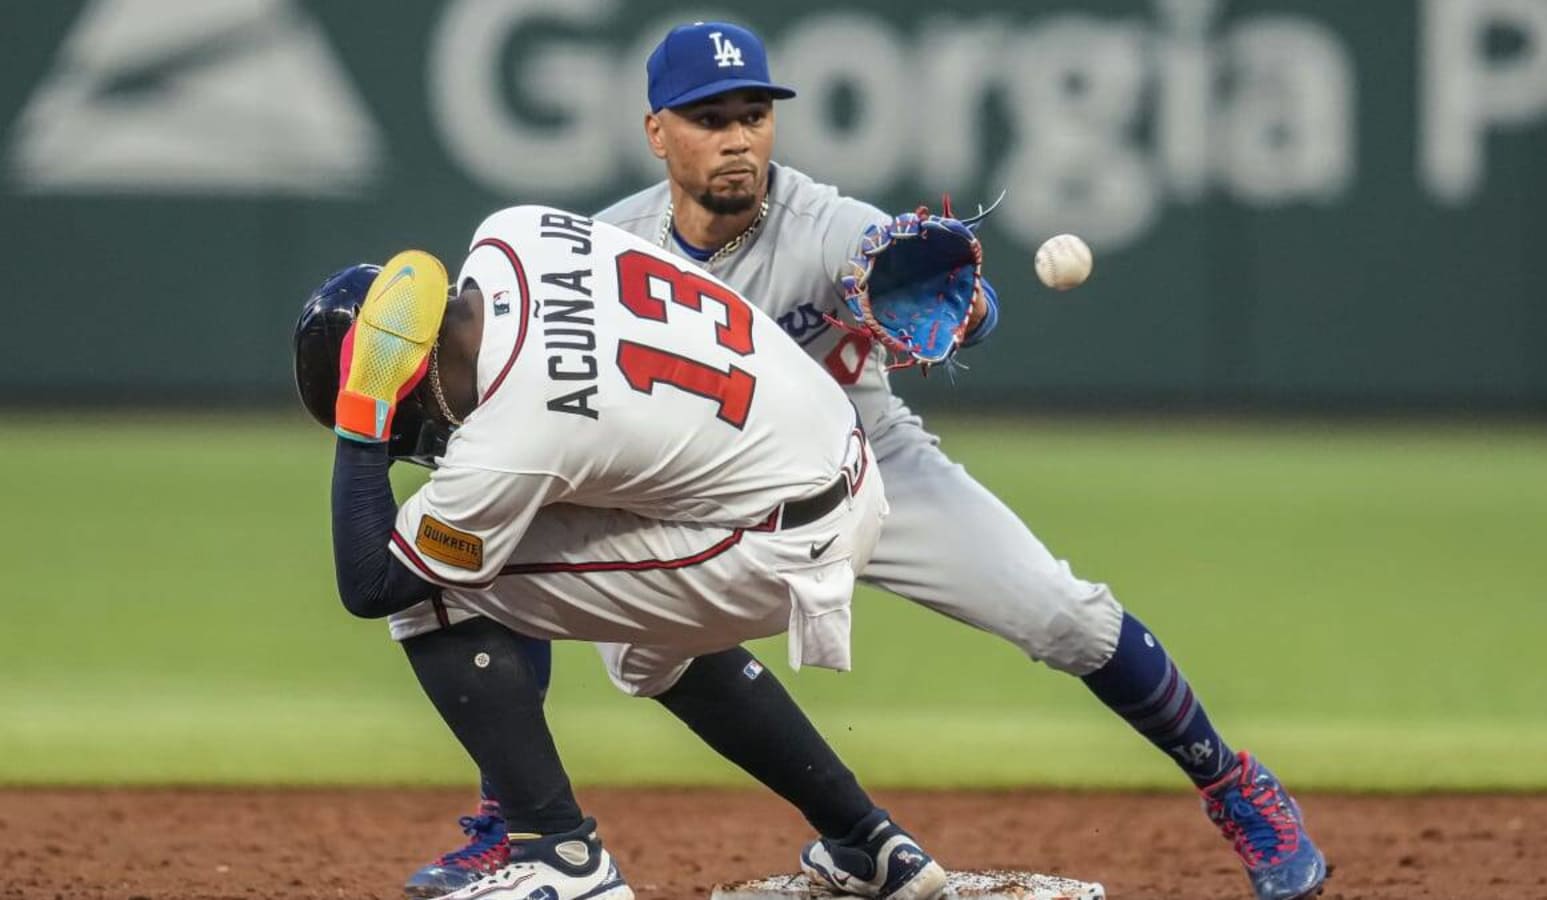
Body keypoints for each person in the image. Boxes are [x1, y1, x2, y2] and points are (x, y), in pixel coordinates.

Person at [408, 21, 1329, 900]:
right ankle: (518, 819)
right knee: (511, 545)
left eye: (754, 116)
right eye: (709, 118)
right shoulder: (607, 243)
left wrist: (965, 308)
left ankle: (1235, 786)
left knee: (1063, 616)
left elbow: (926, 277)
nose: (737, 139)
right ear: (657, 131)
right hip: (702, 493)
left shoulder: (820, 222)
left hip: (870, 466)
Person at [301, 206, 951, 900]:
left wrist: (363, 416)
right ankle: (871, 847)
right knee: (644, 644)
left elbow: (370, 584)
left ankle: (559, 853)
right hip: (835, 457)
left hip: (772, 538)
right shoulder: (513, 230)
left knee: (431, 584)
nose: (431, 440)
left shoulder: (511, 437)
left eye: (416, 426)